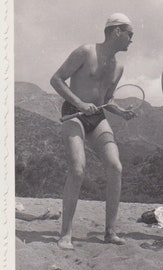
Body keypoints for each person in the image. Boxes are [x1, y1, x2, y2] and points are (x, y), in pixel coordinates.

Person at [50, 13, 135, 249]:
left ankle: (110, 231)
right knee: (77, 169)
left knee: (115, 167)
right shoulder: (85, 52)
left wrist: (122, 112)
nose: (131, 40)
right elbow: (56, 80)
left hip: (97, 118)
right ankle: (66, 233)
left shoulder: (118, 67)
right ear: (116, 31)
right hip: (74, 114)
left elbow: (107, 99)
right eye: (130, 34)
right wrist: (79, 104)